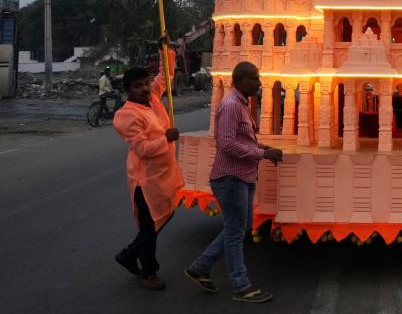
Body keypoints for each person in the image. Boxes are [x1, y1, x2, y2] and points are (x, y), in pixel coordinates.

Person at [185, 61, 282, 304]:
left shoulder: (241, 104)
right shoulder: (230, 106)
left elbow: (242, 140)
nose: (259, 83)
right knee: (235, 233)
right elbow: (227, 144)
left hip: (243, 176)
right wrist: (262, 154)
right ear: (239, 80)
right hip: (231, 178)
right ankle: (241, 286)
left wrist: (263, 148)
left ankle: (201, 266)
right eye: (254, 79)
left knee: (238, 228)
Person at [112, 52, 183, 290]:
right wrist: (166, 137)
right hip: (146, 179)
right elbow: (142, 149)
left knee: (162, 218)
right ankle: (148, 272)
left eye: (145, 84)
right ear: (128, 90)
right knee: (149, 227)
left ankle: (129, 254)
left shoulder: (152, 99)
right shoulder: (126, 115)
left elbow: (166, 76)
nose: (144, 89)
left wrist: (167, 50)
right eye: (137, 86)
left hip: (164, 174)